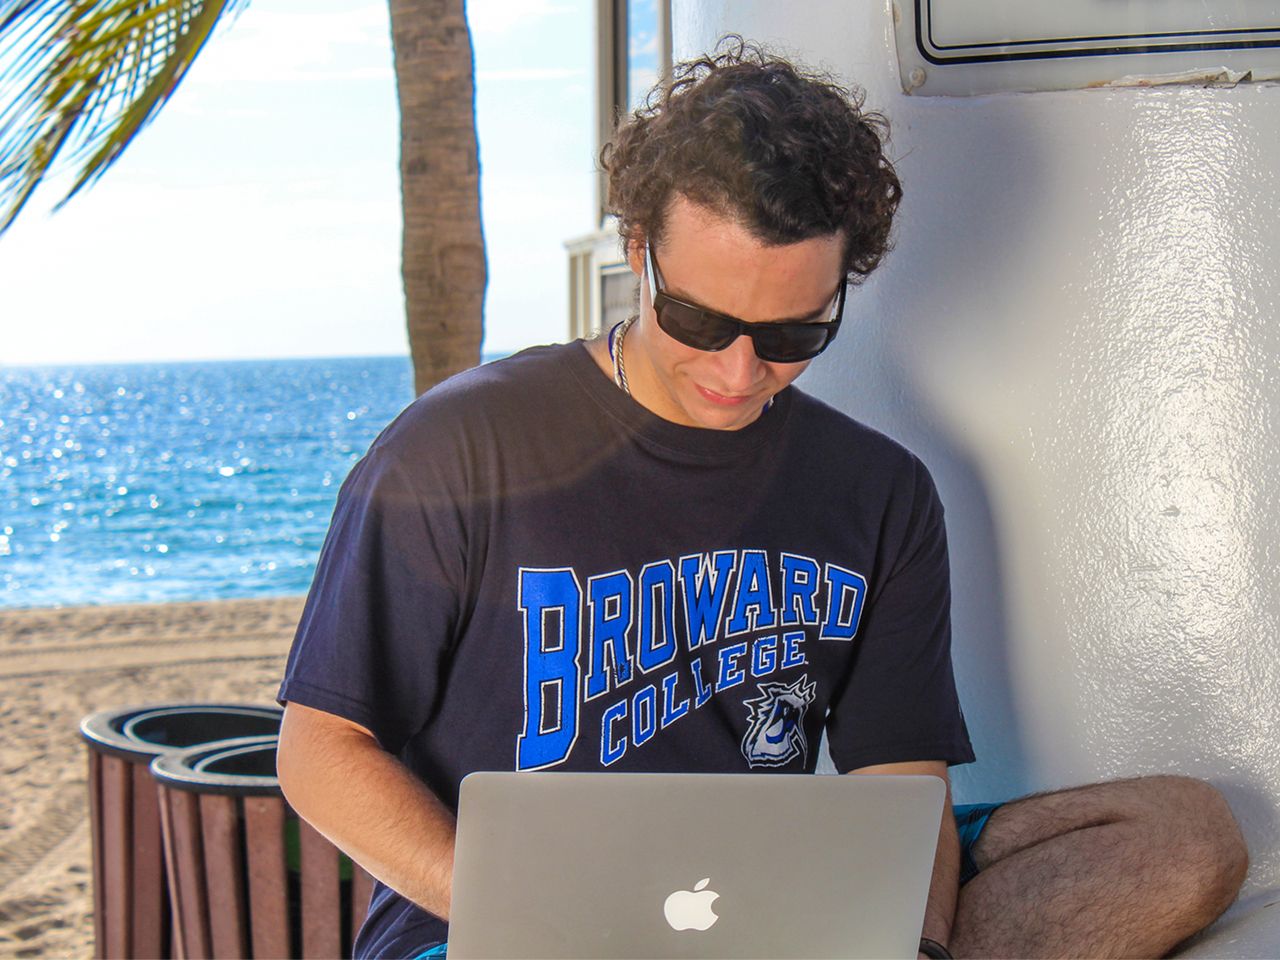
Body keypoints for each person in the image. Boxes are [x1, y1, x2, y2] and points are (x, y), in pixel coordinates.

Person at [276, 38, 1248, 959]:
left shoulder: (878, 494)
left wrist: (908, 945)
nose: (738, 371)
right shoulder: (458, 448)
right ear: (637, 247)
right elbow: (321, 750)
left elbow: (897, 784)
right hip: (503, 924)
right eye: (699, 319)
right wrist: (541, 919)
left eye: (791, 334)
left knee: (1177, 838)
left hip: (752, 905)